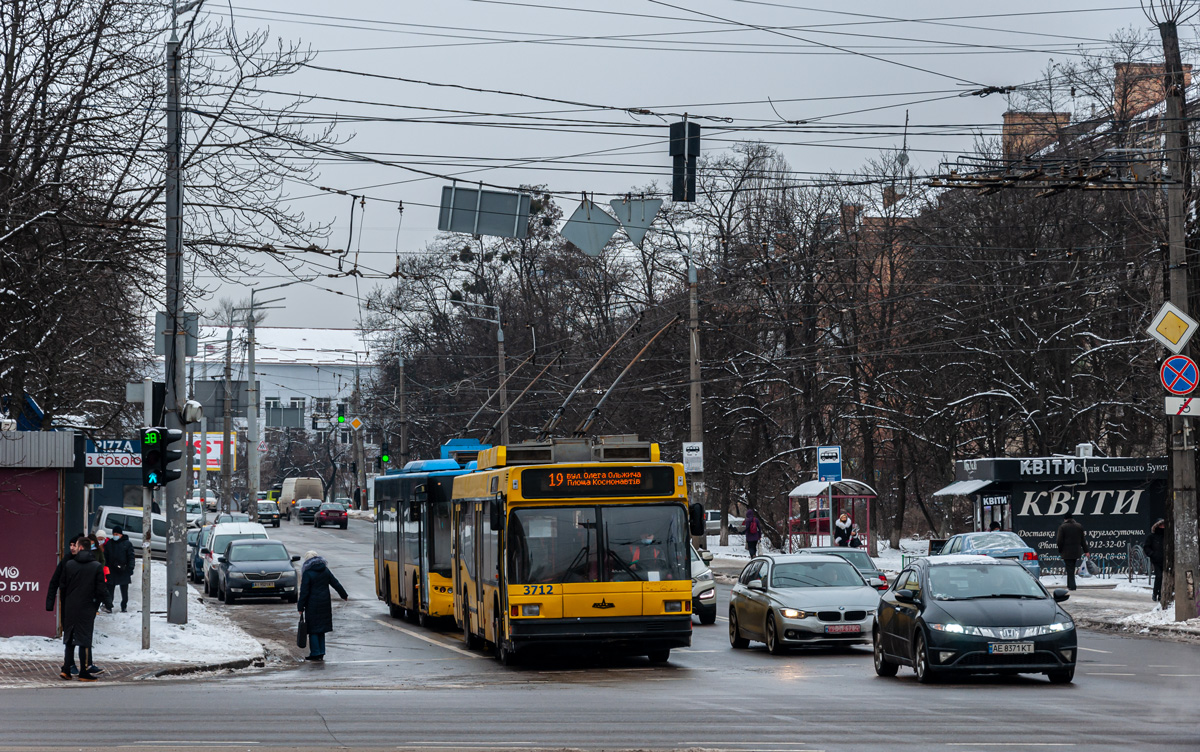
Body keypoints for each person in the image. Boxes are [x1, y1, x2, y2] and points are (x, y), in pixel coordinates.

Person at [45, 534, 107, 681]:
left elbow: (61, 584)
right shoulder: (84, 564)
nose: (72, 548)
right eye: (70, 545)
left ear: (79, 547)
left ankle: (68, 668)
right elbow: (100, 588)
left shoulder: (70, 564)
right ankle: (82, 671)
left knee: (70, 638)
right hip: (83, 607)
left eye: (74, 545)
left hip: (70, 606)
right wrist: (103, 603)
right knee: (83, 639)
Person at [298, 551, 348, 661]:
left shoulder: (308, 573)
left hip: (312, 605)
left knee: (313, 629)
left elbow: (304, 592)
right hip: (325, 603)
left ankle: (315, 653)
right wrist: (344, 595)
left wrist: (300, 607)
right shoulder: (325, 570)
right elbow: (335, 583)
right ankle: (321, 652)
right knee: (321, 628)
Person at [103, 525, 135, 612]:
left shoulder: (127, 544)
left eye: (117, 534)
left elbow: (131, 557)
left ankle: (124, 606)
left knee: (124, 590)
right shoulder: (109, 543)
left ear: (121, 534)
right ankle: (109, 606)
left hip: (123, 570)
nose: (115, 535)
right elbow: (105, 557)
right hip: (112, 570)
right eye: (114, 534)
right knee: (110, 589)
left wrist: (130, 568)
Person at [1055, 512, 1089, 591]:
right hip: (1076, 551)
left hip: (1066, 552)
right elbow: (1083, 540)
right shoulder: (1079, 526)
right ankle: (1069, 585)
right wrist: (1086, 551)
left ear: (1065, 519)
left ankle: (1072, 586)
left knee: (1069, 568)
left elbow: (1059, 541)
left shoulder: (1062, 527)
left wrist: (1060, 550)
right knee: (1071, 568)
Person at [88, 532, 112, 614]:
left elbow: (103, 560)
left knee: (99, 591)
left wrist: (99, 568)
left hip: (97, 573)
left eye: (92, 542)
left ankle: (99, 606)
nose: (91, 543)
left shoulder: (98, 550)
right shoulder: (85, 550)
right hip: (88, 574)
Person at [1143, 518, 1166, 601]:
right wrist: (1152, 554)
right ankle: (1155, 593)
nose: (1162, 527)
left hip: (1166, 561)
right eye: (1160, 525)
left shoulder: (1167, 536)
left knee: (1164, 577)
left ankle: (1161, 594)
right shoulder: (1151, 537)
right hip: (1156, 560)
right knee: (1159, 576)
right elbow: (1146, 547)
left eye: (1163, 525)